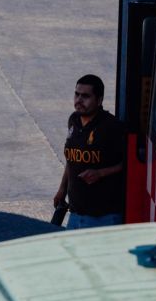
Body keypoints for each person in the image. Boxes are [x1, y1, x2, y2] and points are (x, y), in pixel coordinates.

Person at [54, 74, 125, 230]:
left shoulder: (111, 127)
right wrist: (62, 189)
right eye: (77, 94)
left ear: (99, 100)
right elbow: (71, 160)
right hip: (75, 214)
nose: (79, 100)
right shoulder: (73, 120)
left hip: (104, 218)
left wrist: (100, 173)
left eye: (85, 96)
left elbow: (128, 163)